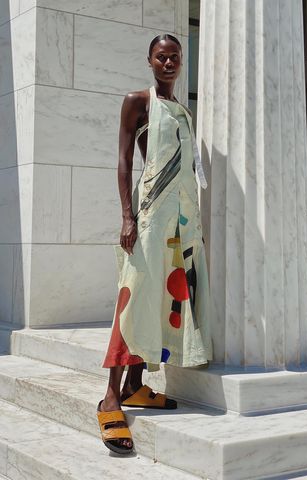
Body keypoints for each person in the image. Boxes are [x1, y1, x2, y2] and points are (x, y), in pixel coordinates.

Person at [96, 33, 213, 455]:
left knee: (163, 303)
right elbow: (127, 160)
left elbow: (165, 161)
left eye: (175, 57)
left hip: (178, 222)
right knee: (134, 298)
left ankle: (135, 386)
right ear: (149, 60)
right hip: (147, 220)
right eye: (162, 57)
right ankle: (110, 398)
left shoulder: (181, 110)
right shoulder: (137, 101)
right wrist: (128, 216)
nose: (169, 63)